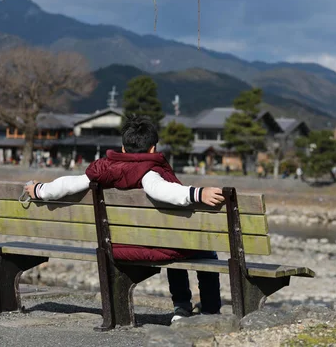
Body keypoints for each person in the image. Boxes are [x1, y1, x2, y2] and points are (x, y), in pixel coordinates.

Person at [25, 115, 224, 322]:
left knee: (175, 243)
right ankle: (207, 310)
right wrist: (198, 194)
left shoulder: (104, 168)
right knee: (199, 249)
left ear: (122, 148)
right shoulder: (149, 172)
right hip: (151, 246)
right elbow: (161, 190)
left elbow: (68, 184)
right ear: (153, 149)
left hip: (118, 245)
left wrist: (39, 190)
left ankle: (183, 307)